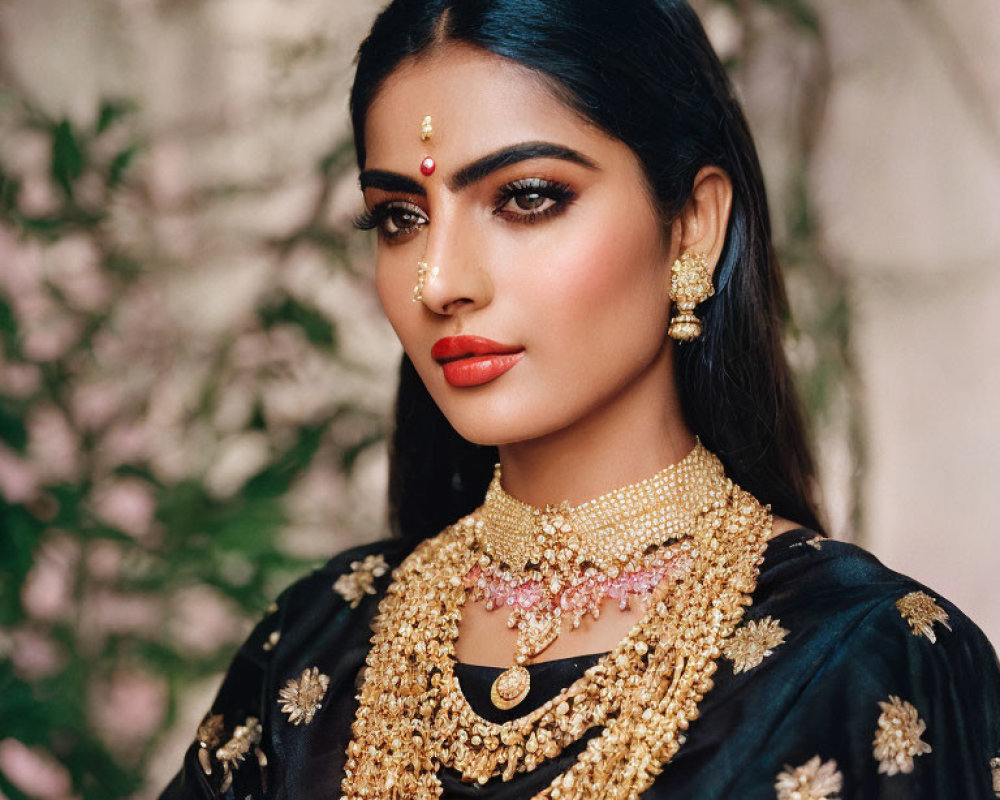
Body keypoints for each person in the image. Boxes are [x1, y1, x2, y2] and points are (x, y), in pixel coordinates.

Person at [159, 0, 1000, 797]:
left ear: (693, 225)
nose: (440, 281)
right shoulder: (311, 649)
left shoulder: (865, 659)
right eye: (399, 216)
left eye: (527, 197)